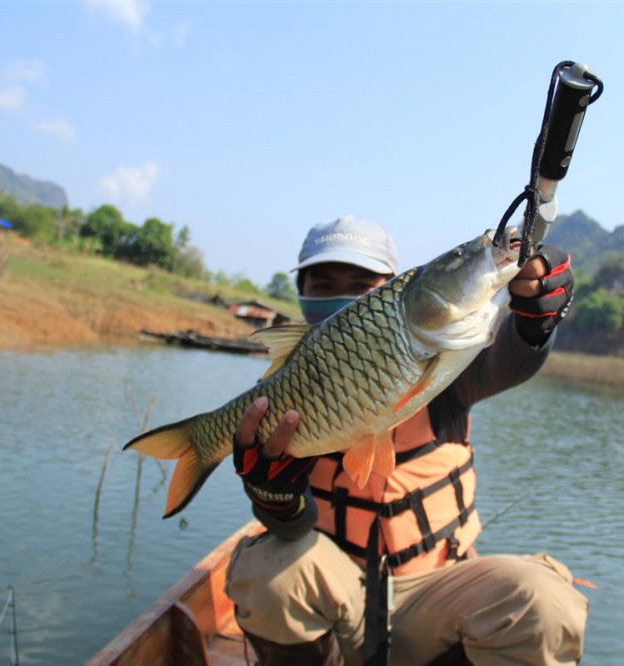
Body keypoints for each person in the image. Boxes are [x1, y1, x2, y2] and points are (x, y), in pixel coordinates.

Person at [225, 215, 588, 666]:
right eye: (323, 284)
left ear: (391, 287)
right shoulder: (286, 394)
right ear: (300, 290)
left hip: (436, 596)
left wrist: (537, 325)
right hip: (338, 598)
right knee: (266, 569)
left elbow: (512, 357)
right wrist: (273, 497)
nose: (342, 296)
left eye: (361, 282)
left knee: (543, 600)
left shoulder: (451, 359)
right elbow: (291, 530)